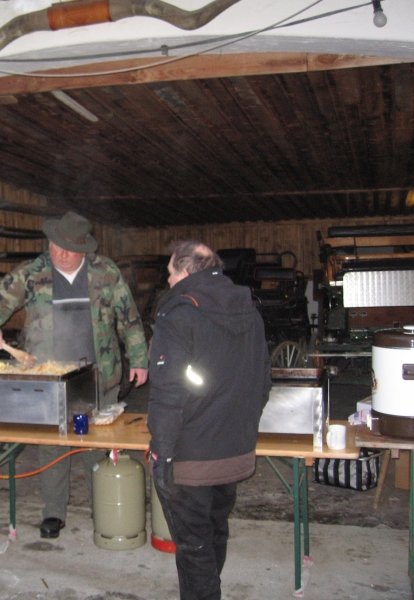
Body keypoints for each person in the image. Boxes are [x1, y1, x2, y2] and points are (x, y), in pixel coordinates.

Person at [0, 211, 149, 538]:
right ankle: (54, 511)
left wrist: (139, 358)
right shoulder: (33, 272)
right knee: (52, 447)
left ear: (84, 249)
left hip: (99, 376)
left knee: (97, 447)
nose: (60, 253)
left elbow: (129, 318)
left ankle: (104, 509)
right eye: (56, 245)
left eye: (69, 249)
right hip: (51, 378)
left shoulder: (106, 272)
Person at [148, 242, 271, 600]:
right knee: (215, 532)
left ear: (186, 272)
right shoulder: (250, 311)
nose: (168, 280)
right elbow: (263, 381)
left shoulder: (179, 314)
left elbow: (168, 393)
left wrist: (161, 453)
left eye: (170, 272)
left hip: (191, 458)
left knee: (193, 548)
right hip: (235, 449)